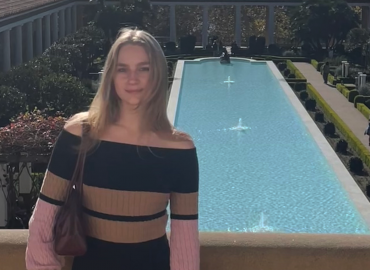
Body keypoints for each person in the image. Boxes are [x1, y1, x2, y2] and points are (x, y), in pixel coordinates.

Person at [25, 28, 200, 270]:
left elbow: (185, 237)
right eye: (122, 69)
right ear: (111, 76)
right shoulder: (79, 133)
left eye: (143, 68)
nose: (132, 79)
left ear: (158, 74)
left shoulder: (180, 150)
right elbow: (42, 221)